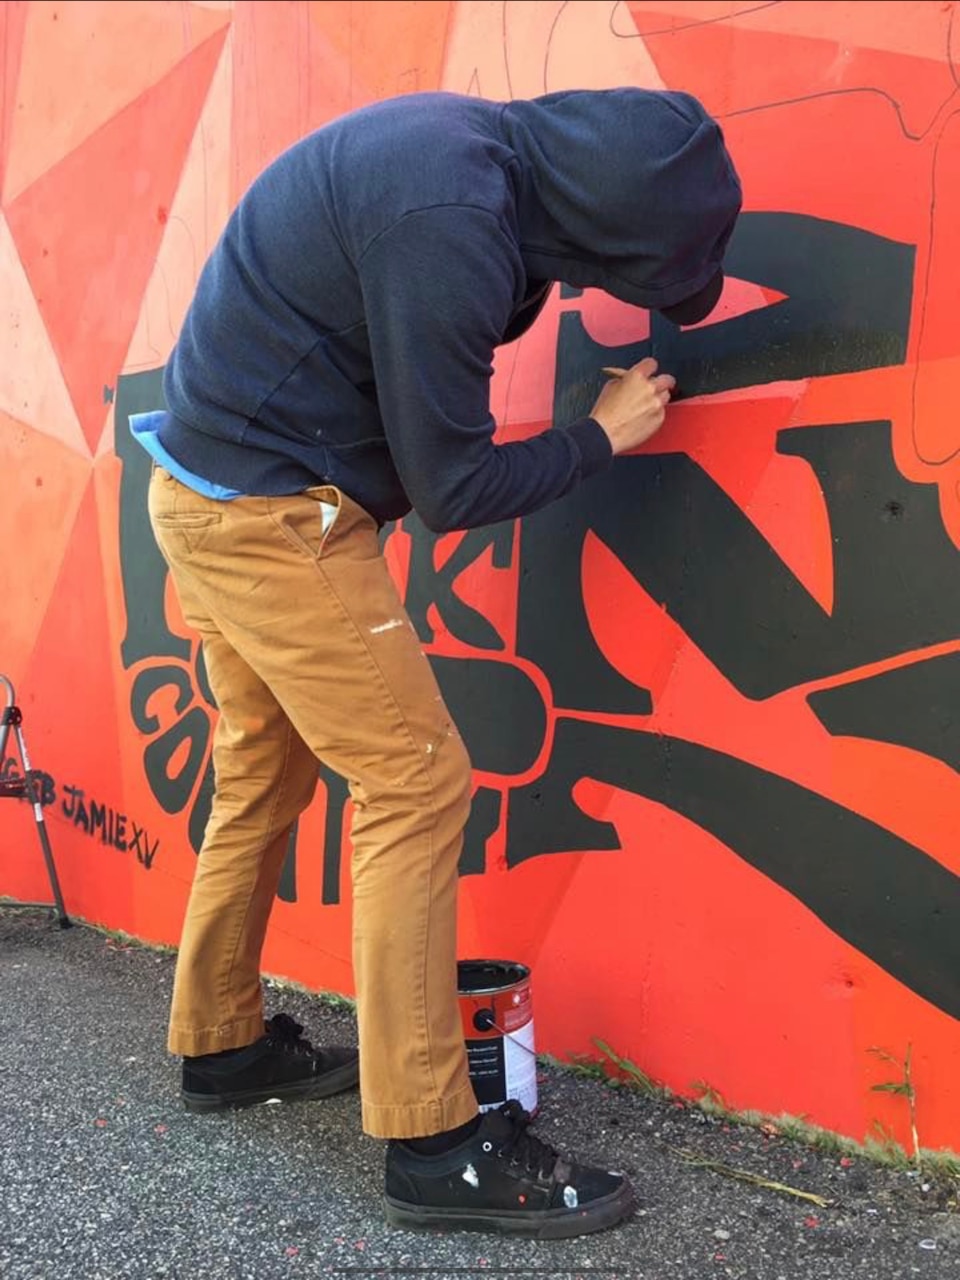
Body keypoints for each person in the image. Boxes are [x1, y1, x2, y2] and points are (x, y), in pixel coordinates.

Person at [131, 86, 741, 1239]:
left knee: (265, 771)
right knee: (416, 778)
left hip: (211, 492)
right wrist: (595, 436)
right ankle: (433, 1142)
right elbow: (455, 487)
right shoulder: (449, 218)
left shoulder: (483, 162)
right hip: (267, 516)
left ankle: (222, 1043)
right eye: (646, 274)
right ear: (613, 230)